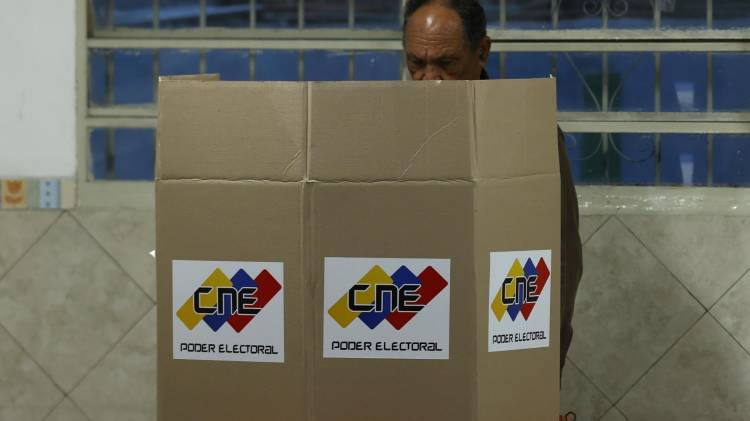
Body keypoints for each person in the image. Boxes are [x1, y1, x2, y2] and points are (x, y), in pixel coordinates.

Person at [402, 1, 583, 419]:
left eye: (446, 63)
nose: (431, 81)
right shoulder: (390, 129)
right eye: (417, 63)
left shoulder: (526, 133)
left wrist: (534, 381)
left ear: (481, 51)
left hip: (494, 357)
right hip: (409, 341)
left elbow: (558, 265)